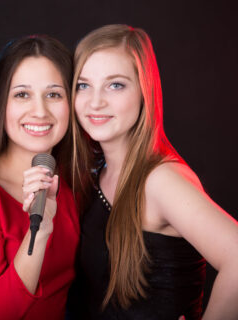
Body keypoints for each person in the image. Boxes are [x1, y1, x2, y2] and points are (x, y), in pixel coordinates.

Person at [68, 24, 238, 319]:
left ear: (144, 91)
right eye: (83, 85)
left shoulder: (160, 180)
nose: (95, 101)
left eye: (115, 85)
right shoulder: (98, 171)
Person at [0, 35, 83, 320]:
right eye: (22, 94)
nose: (40, 111)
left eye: (54, 94)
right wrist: (40, 231)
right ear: (1, 104)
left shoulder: (70, 185)